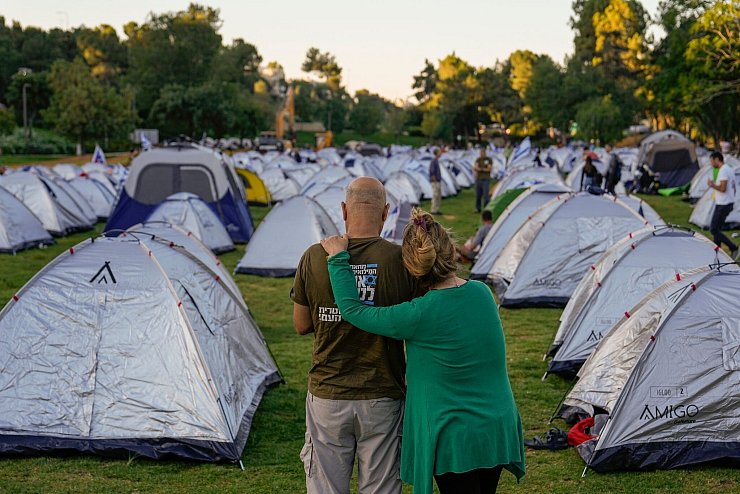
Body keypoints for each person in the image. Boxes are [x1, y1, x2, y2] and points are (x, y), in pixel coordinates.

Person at [320, 209, 526, 494]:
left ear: (412, 267)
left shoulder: (417, 314)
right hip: (496, 425)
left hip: (453, 436)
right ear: (451, 250)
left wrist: (337, 259)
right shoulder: (482, 294)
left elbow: (353, 311)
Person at [291, 177, 419, 494]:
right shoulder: (401, 260)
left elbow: (301, 324)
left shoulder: (313, 256)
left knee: (325, 487)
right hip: (383, 392)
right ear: (386, 212)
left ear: (344, 209)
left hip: (328, 393)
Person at [706, 151, 738, 259]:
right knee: (717, 230)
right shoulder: (729, 169)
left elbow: (723, 188)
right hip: (727, 202)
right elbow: (734, 188)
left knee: (713, 229)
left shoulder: (723, 170)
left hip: (723, 204)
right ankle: (717, 255)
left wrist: (712, 185)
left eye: (711, 161)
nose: (711, 163)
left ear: (716, 159)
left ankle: (733, 247)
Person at [473, 148, 493, 212]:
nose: (482, 154)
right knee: (478, 195)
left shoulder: (488, 160)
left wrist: (480, 169)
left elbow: (489, 169)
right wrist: (483, 169)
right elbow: (475, 168)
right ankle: (477, 208)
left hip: (486, 180)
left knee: (486, 195)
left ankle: (486, 208)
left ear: (485, 153)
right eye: (481, 153)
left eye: (483, 152)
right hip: (478, 179)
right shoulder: (478, 160)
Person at [429, 148, 443, 214]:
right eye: (439, 152)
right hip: (435, 181)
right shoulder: (433, 161)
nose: (440, 153)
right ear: (437, 153)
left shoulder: (437, 160)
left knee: (438, 196)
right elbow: (432, 171)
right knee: (435, 195)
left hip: (438, 181)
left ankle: (436, 209)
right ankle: (433, 210)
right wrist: (434, 181)